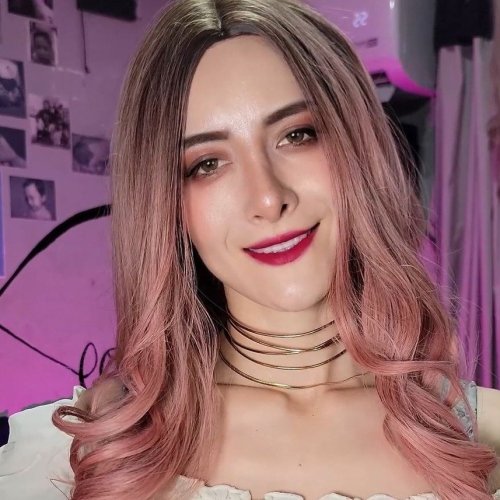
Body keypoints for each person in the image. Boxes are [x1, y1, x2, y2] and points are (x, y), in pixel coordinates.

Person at [0, 0, 499, 499]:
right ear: (167, 206)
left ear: (359, 151)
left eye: (297, 135)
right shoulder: (86, 452)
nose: (266, 198)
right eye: (207, 164)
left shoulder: (483, 433)